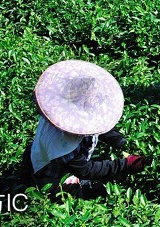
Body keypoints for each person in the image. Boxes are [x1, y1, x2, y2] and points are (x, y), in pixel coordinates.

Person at [21, 60, 149, 198]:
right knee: (66, 193)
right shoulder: (60, 139)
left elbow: (98, 126)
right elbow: (85, 170)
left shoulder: (62, 111)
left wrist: (122, 142)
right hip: (50, 173)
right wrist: (125, 164)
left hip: (55, 161)